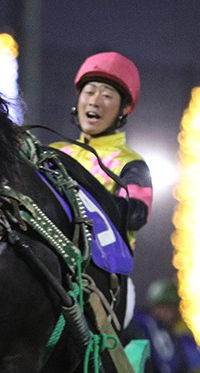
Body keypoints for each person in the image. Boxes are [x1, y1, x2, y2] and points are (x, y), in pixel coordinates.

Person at [50, 51, 153, 251]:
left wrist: (81, 189)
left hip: (103, 272)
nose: (94, 101)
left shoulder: (131, 164)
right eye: (89, 92)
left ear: (124, 109)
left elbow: (136, 215)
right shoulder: (55, 152)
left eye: (106, 96)